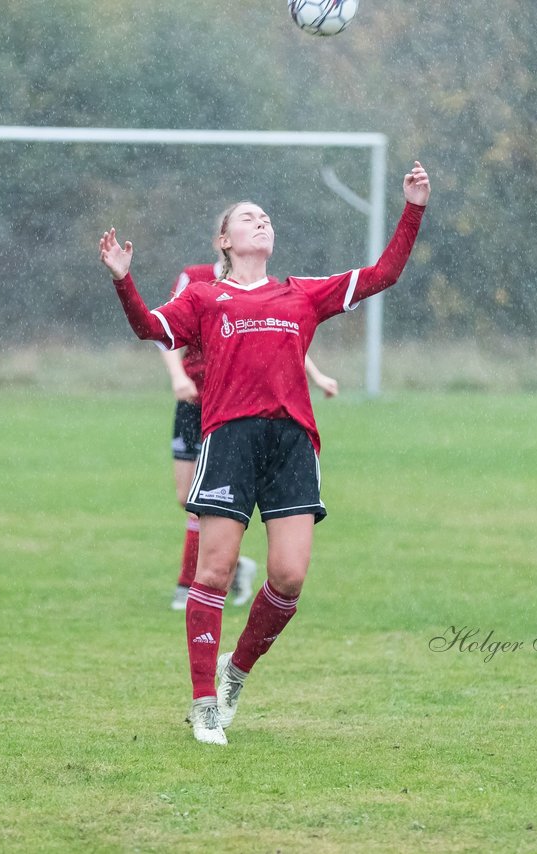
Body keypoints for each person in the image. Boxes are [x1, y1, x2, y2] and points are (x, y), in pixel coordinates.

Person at [100, 161, 430, 745]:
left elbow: (383, 274)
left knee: (289, 576)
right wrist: (124, 280)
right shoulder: (205, 297)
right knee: (215, 571)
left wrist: (413, 209)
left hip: (291, 444)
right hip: (227, 439)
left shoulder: (299, 293)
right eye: (248, 218)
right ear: (225, 240)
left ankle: (234, 675)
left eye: (267, 218)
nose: (262, 222)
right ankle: (203, 704)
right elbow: (149, 329)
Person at [162, 244, 339, 612]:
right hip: (195, 401)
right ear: (221, 241)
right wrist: (178, 376)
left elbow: (286, 339)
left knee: (208, 504)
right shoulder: (195, 279)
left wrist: (318, 375)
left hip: (237, 410)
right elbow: (165, 330)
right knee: (187, 497)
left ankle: (198, 578)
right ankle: (233, 566)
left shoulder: (268, 287)